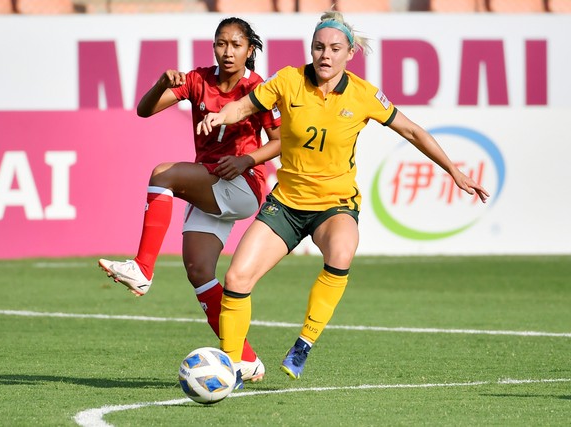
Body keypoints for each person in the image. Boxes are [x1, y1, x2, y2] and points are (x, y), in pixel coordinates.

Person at [197, 11, 489, 384]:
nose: (325, 55)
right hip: (286, 203)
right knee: (237, 277)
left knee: (341, 252)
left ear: (349, 53)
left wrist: (454, 170)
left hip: (335, 205)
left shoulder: (363, 94)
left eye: (335, 48)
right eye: (319, 47)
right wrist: (222, 116)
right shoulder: (288, 80)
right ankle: (232, 366)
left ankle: (304, 343)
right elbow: (246, 105)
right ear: (311, 49)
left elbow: (412, 132)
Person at [98, 17, 281, 383]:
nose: (227, 51)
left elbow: (282, 142)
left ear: (250, 50)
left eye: (235, 44)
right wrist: (161, 83)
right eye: (220, 43)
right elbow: (144, 110)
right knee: (199, 272)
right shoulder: (198, 79)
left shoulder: (259, 89)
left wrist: (246, 159)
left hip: (242, 183)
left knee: (163, 174)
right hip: (211, 185)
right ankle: (246, 359)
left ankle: (143, 268)